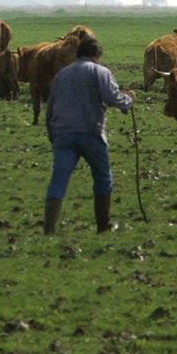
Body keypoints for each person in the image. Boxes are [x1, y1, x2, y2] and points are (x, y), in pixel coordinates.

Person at [43, 36, 134, 234]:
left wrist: (53, 134)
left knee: (58, 179)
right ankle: (103, 225)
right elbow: (111, 96)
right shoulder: (100, 71)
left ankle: (49, 229)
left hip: (63, 134)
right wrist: (128, 101)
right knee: (102, 178)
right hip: (91, 133)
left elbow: (50, 109)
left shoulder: (62, 74)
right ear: (97, 55)